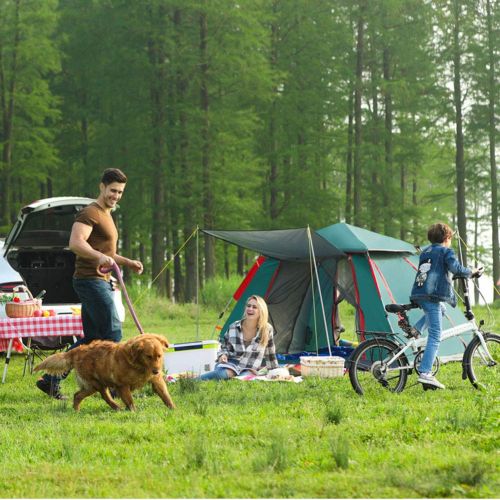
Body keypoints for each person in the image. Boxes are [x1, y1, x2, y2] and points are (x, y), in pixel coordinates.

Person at [36, 168, 144, 399]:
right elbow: (76, 243)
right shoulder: (90, 213)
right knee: (113, 333)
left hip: (100, 281)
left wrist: (128, 262)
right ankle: (116, 386)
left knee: (92, 340)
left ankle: (50, 379)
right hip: (90, 281)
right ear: (102, 186)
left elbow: (105, 253)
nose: (116, 195)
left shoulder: (107, 214)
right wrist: (98, 257)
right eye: (113, 190)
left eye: (120, 192)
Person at [410, 222, 480, 390]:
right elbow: (455, 268)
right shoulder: (446, 251)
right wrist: (472, 272)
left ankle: (416, 330)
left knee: (442, 309)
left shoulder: (426, 251)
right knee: (435, 335)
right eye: (450, 239)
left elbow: (436, 268)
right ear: (447, 238)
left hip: (419, 292)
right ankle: (425, 373)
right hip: (432, 295)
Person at [199, 295, 279, 381]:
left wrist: (275, 372)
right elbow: (224, 347)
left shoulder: (267, 329)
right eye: (248, 306)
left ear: (261, 311)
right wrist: (223, 355)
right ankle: (192, 380)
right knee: (221, 374)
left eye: (254, 307)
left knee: (242, 380)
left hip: (249, 368)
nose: (250, 309)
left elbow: (270, 353)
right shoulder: (234, 326)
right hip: (230, 364)